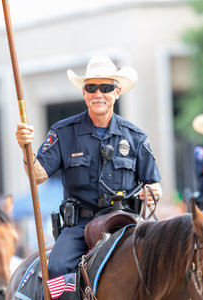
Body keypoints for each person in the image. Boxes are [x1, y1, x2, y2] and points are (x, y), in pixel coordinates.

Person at [15, 55, 162, 285]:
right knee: (57, 268)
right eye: (91, 88)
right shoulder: (63, 132)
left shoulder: (135, 136)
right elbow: (38, 176)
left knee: (160, 262)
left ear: (117, 92)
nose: (98, 94)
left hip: (125, 222)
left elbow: (154, 184)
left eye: (105, 87)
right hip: (79, 228)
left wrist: (152, 194)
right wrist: (26, 148)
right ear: (84, 93)